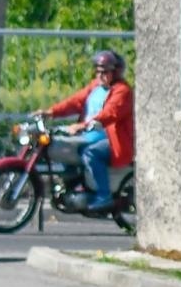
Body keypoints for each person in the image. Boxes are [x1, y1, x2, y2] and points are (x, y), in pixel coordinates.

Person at [37, 49, 133, 215]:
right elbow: (75, 102)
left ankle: (103, 196)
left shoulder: (122, 91)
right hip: (87, 135)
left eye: (105, 72)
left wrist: (84, 125)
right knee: (63, 147)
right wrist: (51, 112)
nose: (100, 75)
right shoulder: (95, 87)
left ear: (115, 72)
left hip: (112, 141)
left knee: (91, 153)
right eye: (98, 71)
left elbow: (111, 112)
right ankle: (76, 186)